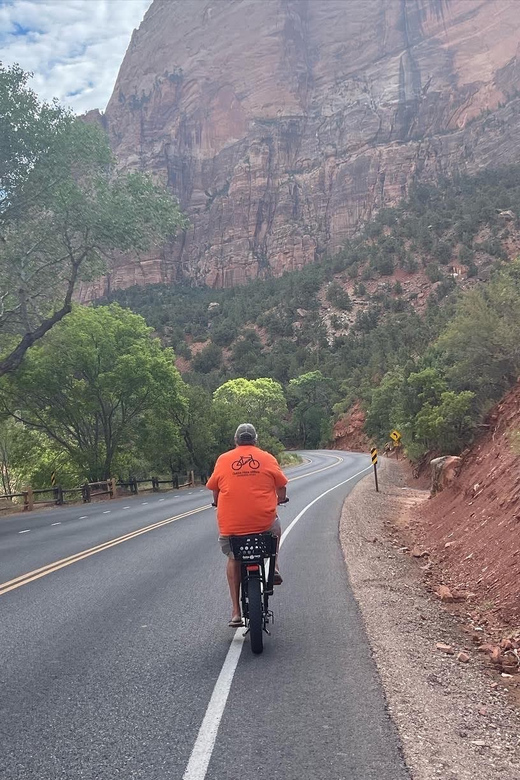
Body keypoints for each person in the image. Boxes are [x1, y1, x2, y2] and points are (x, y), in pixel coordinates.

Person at [207, 423, 288, 627]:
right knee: (275, 528)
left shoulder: (223, 459)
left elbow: (215, 492)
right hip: (263, 523)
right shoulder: (267, 458)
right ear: (255, 440)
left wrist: (218, 502)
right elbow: (281, 486)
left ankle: (236, 612)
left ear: (236, 441)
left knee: (234, 557)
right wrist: (280, 499)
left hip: (232, 527)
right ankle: (274, 567)